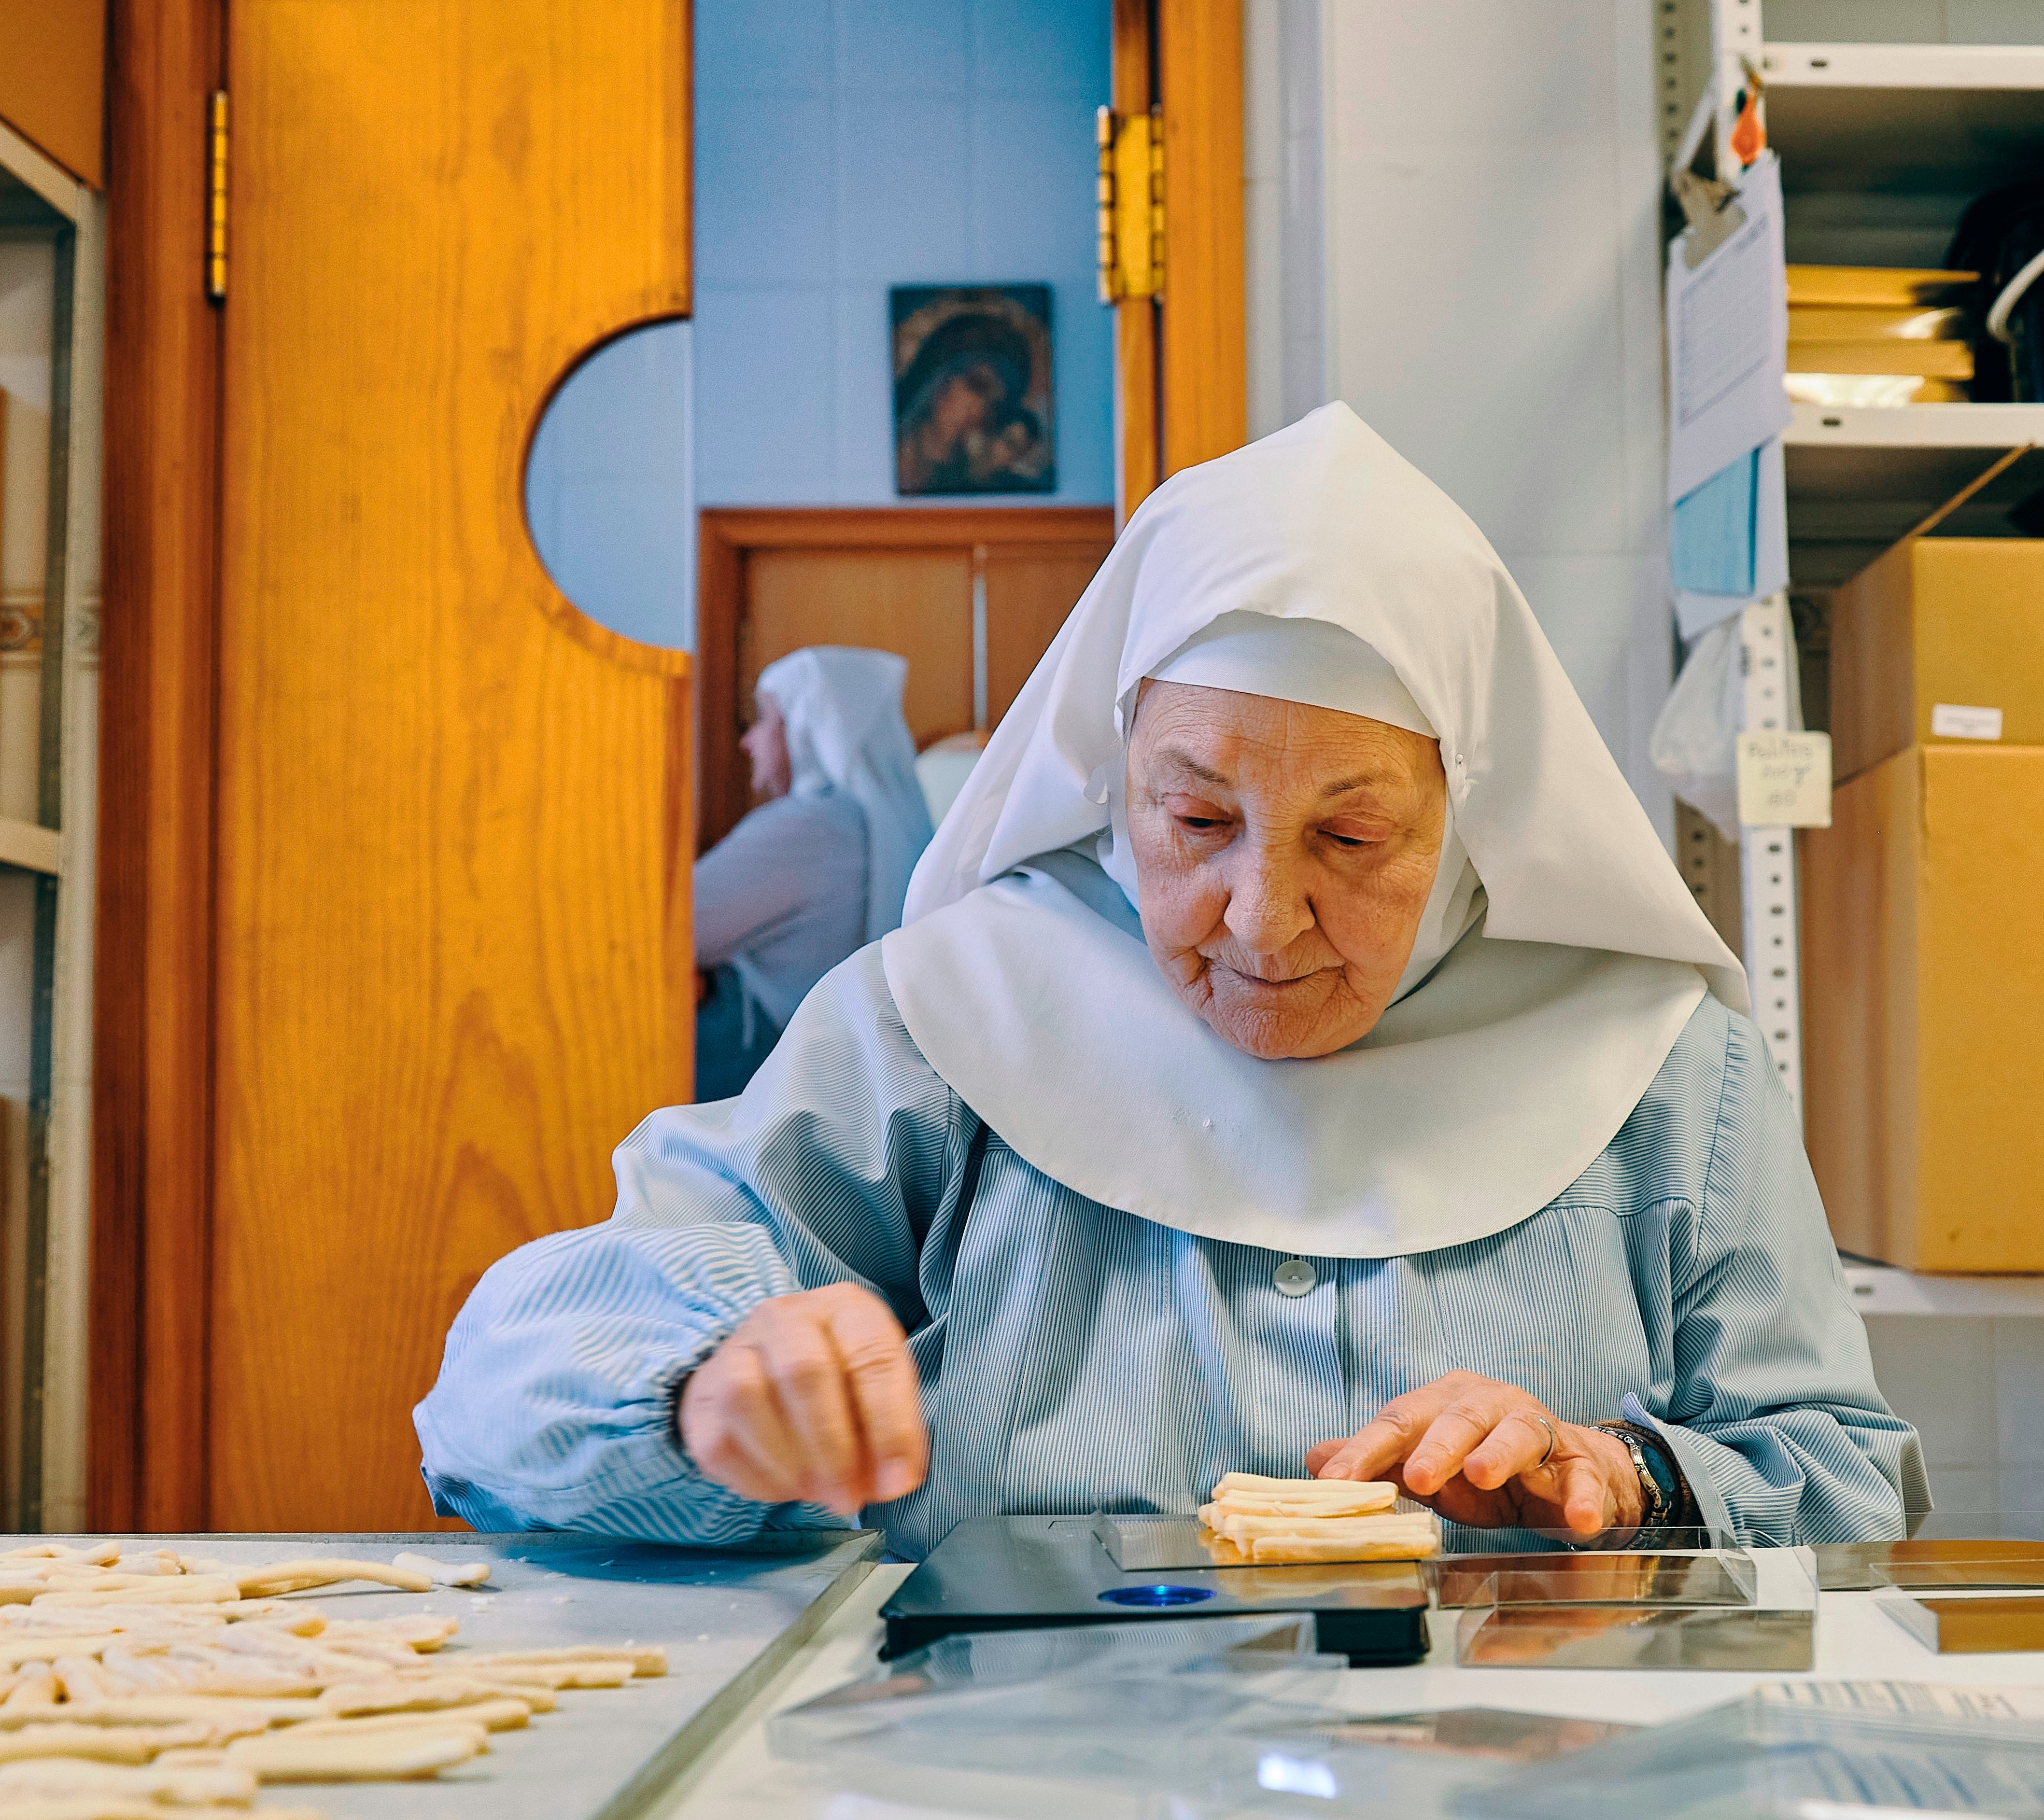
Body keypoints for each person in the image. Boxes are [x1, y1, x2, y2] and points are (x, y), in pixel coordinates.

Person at [419, 407, 1918, 1553]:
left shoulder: (1648, 1063)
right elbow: (501, 1391)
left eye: (1351, 834)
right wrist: (700, 1389)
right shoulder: (953, 1022)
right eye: (1193, 819)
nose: (1262, 920)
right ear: (1112, 769)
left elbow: (1846, 1475)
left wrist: (1627, 1475)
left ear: (1465, 806)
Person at [687, 647, 933, 1100]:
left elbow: (672, 927)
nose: (749, 740)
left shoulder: (813, 827)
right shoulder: (882, 822)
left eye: (764, 719)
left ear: (802, 727)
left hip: (751, 1070)